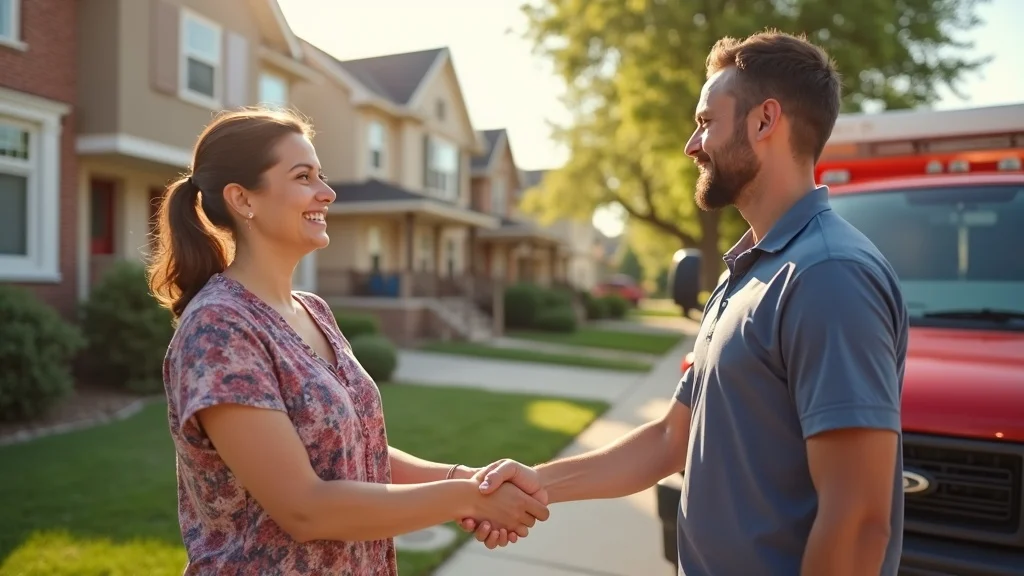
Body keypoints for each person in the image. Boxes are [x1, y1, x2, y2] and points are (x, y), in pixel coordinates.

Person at [461, 30, 909, 576]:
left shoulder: (828, 276)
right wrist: (538, 482)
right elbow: (672, 438)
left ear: (764, 121)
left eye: (705, 122)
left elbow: (859, 521)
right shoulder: (747, 270)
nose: (691, 145)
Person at [148, 107, 548, 575]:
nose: (327, 192)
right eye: (303, 177)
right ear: (242, 198)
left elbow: (357, 450)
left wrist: (469, 481)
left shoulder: (313, 311)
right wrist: (464, 499)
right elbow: (305, 509)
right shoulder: (220, 328)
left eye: (321, 175)